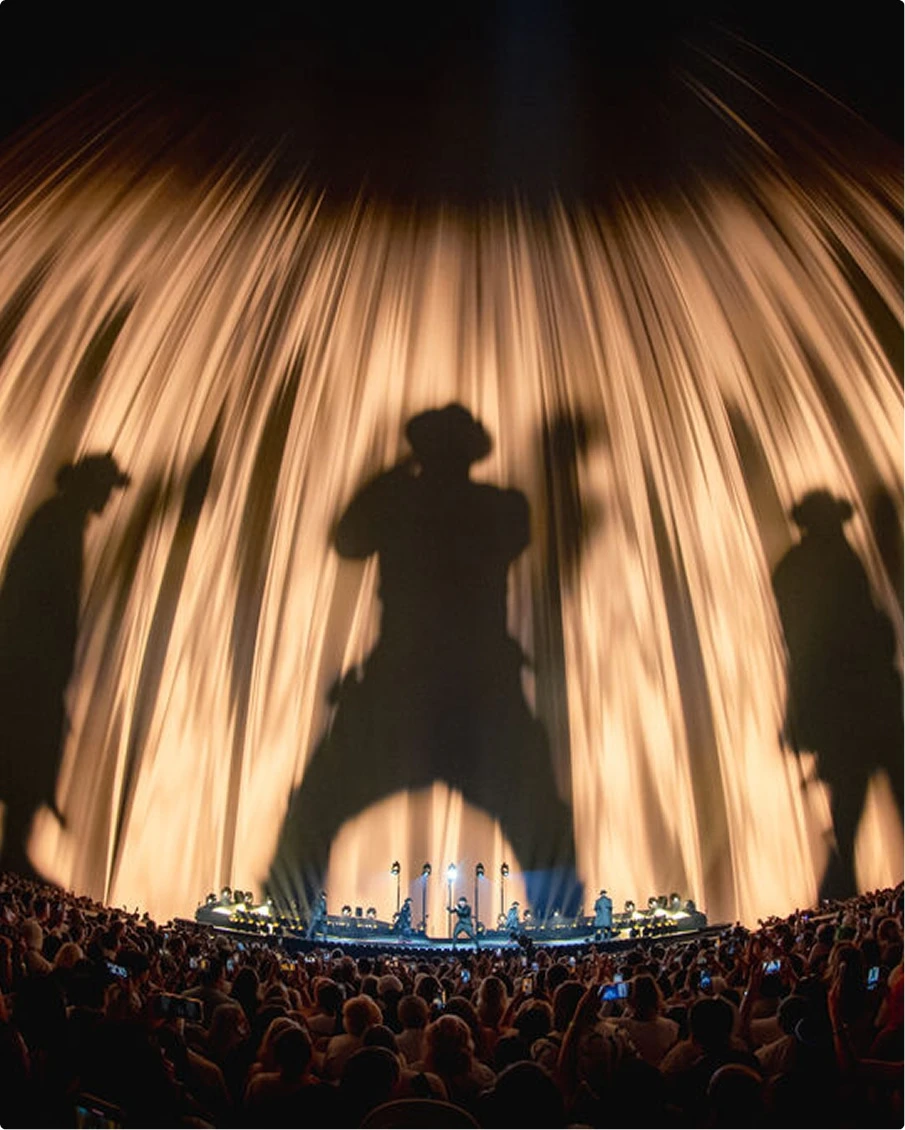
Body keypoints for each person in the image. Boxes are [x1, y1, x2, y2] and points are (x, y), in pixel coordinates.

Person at [268, 405, 581, 919]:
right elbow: (349, 539)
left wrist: (399, 476)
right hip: (473, 692)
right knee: (545, 827)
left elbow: (349, 537)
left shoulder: (411, 504)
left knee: (312, 813)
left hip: (408, 687)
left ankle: (283, 925)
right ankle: (566, 934)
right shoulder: (497, 506)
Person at [0, 452, 129, 878]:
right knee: (29, 747)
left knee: (32, 747)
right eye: (107, 489)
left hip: (33, 664)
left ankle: (15, 844)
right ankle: (13, 848)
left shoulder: (60, 522)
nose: (109, 499)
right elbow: (31, 598)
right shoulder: (58, 524)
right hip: (28, 664)